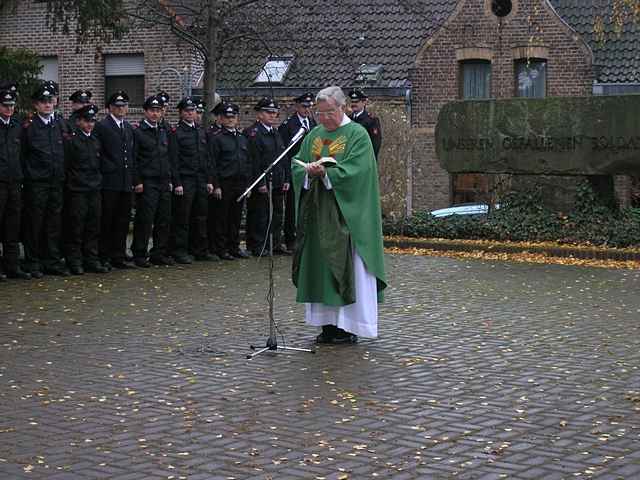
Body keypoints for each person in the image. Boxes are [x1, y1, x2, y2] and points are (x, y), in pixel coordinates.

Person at [291, 86, 386, 344]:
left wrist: (329, 174)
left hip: (346, 216)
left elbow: (360, 171)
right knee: (320, 268)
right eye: (319, 114)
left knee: (347, 267)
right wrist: (306, 173)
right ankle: (327, 325)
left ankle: (349, 326)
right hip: (318, 213)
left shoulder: (358, 135)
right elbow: (296, 164)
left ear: (342, 107)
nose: (323, 119)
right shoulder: (313, 135)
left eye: (328, 113)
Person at [20, 82, 68, 278]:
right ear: (36, 105)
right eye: (43, 102)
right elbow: (23, 155)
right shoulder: (29, 127)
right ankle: (33, 261)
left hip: (56, 182)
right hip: (37, 184)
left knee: (54, 223)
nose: (48, 105)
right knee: (35, 224)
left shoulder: (60, 125)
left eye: (50, 101)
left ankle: (52, 261)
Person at [168, 97, 214, 263]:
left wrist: (209, 180)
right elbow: (174, 160)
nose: (190, 113)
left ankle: (200, 249)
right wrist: (178, 182)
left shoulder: (201, 131)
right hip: (185, 179)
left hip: (200, 179)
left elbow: (206, 158)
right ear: (181, 113)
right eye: (187, 111)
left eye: (193, 110)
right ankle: (180, 250)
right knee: (183, 217)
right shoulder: (176, 132)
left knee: (201, 216)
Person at [94, 90, 136, 270]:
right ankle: (104, 255)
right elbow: (98, 152)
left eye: (124, 106)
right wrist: (108, 168)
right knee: (108, 220)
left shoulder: (127, 127)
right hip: (110, 181)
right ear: (110, 108)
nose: (121, 109)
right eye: (117, 106)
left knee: (122, 220)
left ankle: (118, 255)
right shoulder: (102, 126)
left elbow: (130, 154)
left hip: (125, 181)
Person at [63, 104, 107, 275]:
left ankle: (91, 259)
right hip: (78, 190)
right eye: (86, 121)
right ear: (79, 121)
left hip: (94, 189)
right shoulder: (72, 141)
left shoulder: (95, 141)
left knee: (93, 226)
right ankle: (75, 260)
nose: (90, 124)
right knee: (76, 227)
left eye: (92, 121)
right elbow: (67, 166)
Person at [243, 97, 290, 256]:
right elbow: (253, 160)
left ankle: (274, 243)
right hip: (262, 181)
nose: (272, 116)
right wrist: (260, 182)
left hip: (277, 180)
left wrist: (286, 178)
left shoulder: (275, 133)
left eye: (274, 113)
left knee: (277, 213)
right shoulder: (254, 133)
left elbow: (283, 157)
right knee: (260, 214)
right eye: (268, 112)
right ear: (260, 114)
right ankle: (258, 245)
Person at [131, 95, 173, 267]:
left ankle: (158, 252)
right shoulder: (138, 132)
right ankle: (139, 254)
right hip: (147, 182)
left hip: (163, 181)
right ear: (145, 111)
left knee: (163, 220)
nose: (155, 114)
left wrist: (169, 178)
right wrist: (138, 181)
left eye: (158, 111)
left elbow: (167, 156)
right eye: (152, 111)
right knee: (145, 220)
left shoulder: (163, 131)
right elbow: (134, 159)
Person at [208, 102, 251, 260]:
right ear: (221, 119)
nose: (231, 120)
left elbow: (247, 162)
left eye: (233, 117)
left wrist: (248, 184)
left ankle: (234, 246)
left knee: (236, 217)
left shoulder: (242, 138)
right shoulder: (217, 138)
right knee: (221, 217)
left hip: (240, 183)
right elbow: (212, 163)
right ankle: (221, 248)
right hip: (224, 182)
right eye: (227, 117)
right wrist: (216, 185)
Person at [279, 92, 317, 252]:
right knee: (292, 206)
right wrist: (286, 176)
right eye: (304, 106)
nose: (307, 109)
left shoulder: (313, 123)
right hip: (295, 170)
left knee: (308, 205)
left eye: (309, 106)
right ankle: (290, 239)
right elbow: (284, 153)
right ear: (297, 106)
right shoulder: (288, 125)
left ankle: (305, 237)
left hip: (311, 169)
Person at [0, 86, 30, 280]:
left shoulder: (17, 125)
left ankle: (13, 266)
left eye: (12, 105)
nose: (9, 108)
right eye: (5, 105)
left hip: (14, 182)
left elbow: (23, 153)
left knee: (12, 225)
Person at [348, 89, 382, 160]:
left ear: (364, 103)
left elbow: (375, 144)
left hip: (364, 158)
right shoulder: (348, 119)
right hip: (349, 159)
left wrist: (370, 160)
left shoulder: (371, 120)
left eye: (356, 102)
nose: (353, 104)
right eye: (352, 102)